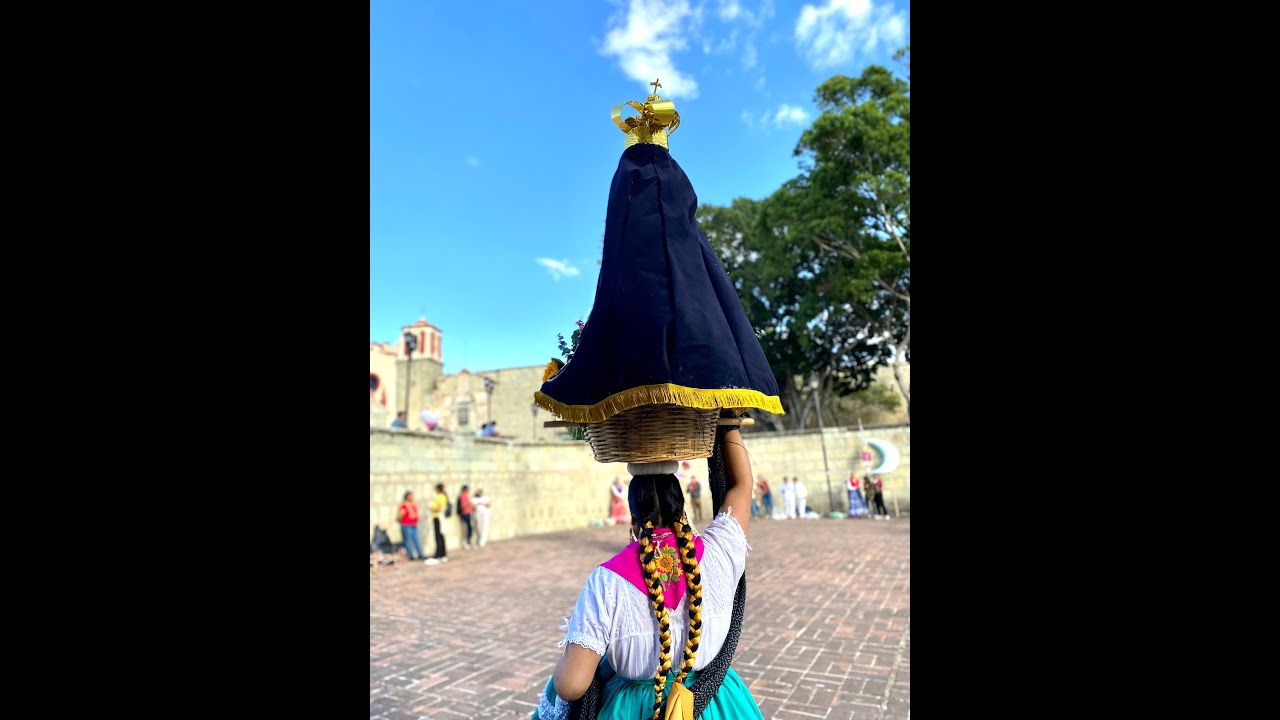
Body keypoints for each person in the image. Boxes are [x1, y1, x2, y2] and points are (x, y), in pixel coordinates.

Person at [535, 428, 761, 720]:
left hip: (636, 710)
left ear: (633, 519)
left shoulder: (607, 582)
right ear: (682, 509)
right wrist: (729, 422)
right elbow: (741, 485)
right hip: (716, 703)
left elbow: (571, 686)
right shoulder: (721, 550)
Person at [426, 484, 449, 564]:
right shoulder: (443, 496)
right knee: (441, 536)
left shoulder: (440, 497)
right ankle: (442, 554)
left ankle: (439, 554)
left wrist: (431, 508)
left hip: (438, 518)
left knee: (439, 536)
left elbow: (439, 508)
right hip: (438, 517)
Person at [396, 491, 423, 560]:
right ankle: (410, 555)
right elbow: (400, 516)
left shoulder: (413, 504)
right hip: (407, 525)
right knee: (408, 541)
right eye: (410, 496)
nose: (411, 497)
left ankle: (420, 554)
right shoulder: (404, 505)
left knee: (416, 540)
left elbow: (416, 513)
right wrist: (401, 521)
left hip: (413, 524)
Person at [458, 484, 475, 550]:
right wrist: (468, 504)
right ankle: (465, 543)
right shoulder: (462, 496)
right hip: (464, 514)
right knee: (466, 529)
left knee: (469, 528)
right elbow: (462, 506)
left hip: (468, 513)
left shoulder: (466, 496)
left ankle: (469, 541)